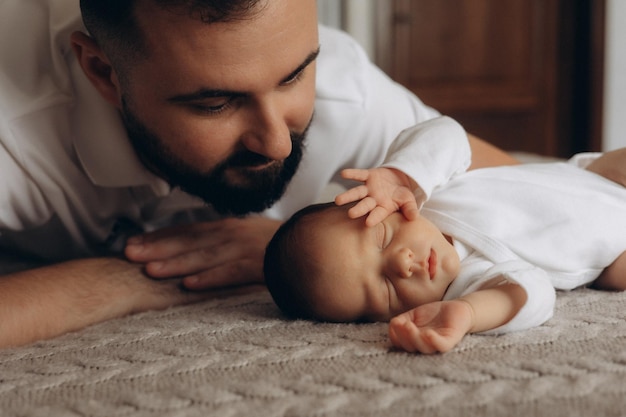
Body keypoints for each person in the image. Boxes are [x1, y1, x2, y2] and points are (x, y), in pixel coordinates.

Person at [1, 0, 533, 348]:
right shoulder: (14, 125)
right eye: (214, 102)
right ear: (101, 72)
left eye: (294, 76)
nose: (277, 142)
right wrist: (130, 279)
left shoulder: (344, 88)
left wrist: (294, 251)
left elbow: (527, 196)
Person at [263, 116, 626, 354]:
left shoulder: (427, 191)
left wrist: (400, 174)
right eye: (385, 290)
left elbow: (447, 134)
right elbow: (534, 293)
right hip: (617, 249)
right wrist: (467, 314)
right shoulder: (471, 281)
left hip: (598, 176)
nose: (403, 264)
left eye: (383, 238)